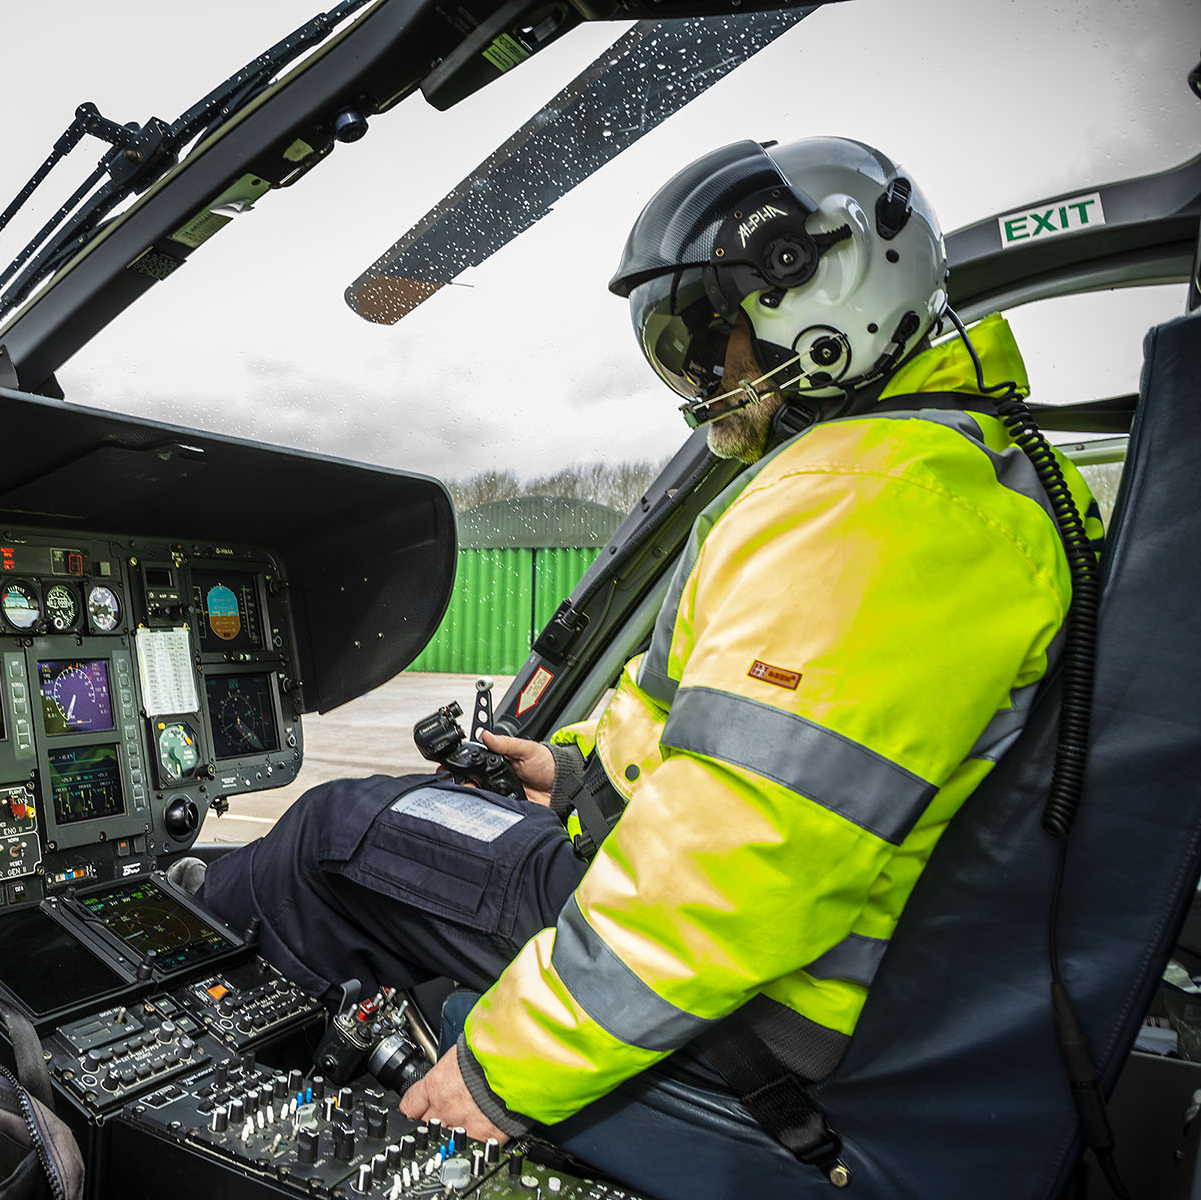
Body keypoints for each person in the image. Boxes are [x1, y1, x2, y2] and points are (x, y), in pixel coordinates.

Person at [176, 136, 1100, 1149]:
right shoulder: (952, 477)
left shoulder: (867, 503)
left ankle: (203, 1083)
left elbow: (737, 861)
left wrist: (503, 1070)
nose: (698, 375)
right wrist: (576, 775)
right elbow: (778, 769)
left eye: (710, 341)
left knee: (329, 835)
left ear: (818, 293)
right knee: (408, 815)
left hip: (758, 1006)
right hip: (802, 956)